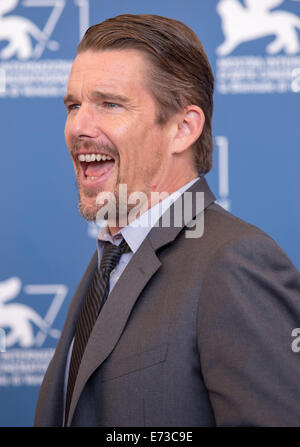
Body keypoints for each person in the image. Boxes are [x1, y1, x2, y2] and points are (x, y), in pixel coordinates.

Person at [34, 14, 300, 427]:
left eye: (110, 104)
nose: (78, 126)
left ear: (183, 128)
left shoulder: (234, 263)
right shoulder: (110, 259)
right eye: (73, 105)